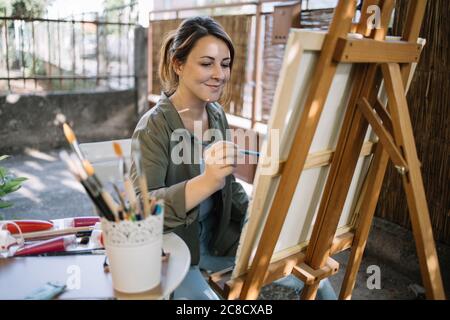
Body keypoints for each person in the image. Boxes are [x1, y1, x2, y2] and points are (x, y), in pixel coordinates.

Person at [130, 16, 336, 300]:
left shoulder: (216, 115)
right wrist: (206, 182)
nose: (219, 74)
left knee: (316, 280)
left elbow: (228, 187)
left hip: (219, 242)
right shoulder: (153, 127)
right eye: (206, 63)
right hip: (175, 251)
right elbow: (140, 209)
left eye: (224, 64)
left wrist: (262, 217)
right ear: (178, 64)